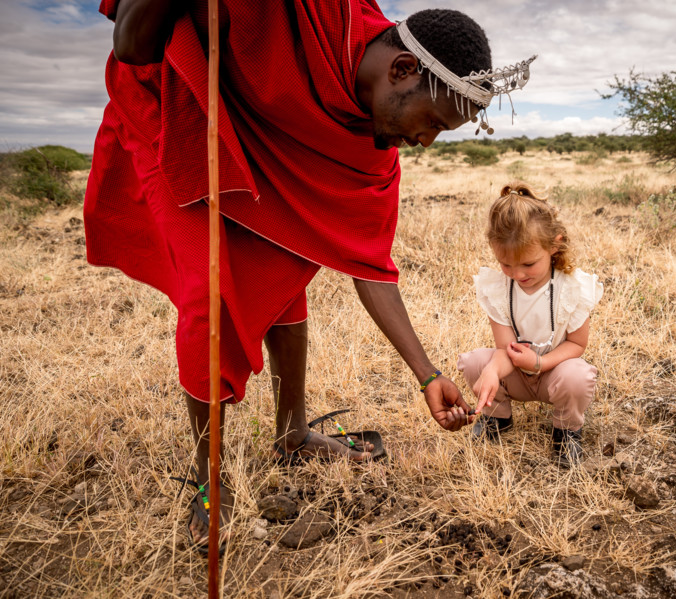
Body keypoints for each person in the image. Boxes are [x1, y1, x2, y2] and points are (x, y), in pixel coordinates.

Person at [85, 0, 535, 552]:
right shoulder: (299, 11)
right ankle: (210, 478)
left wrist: (426, 374)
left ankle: (292, 434)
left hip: (256, 132)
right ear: (401, 71)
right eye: (433, 123)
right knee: (211, 294)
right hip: (183, 109)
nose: (426, 142)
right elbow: (131, 44)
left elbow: (371, 266)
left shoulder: (369, 150)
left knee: (285, 266)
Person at [457, 182, 603, 468]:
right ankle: (497, 419)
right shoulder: (498, 289)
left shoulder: (573, 288)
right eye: (506, 265)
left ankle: (566, 431)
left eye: (528, 264)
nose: (517, 274)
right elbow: (504, 349)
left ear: (554, 244)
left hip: (554, 375)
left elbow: (577, 344)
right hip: (514, 374)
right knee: (474, 363)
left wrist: (540, 362)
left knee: (579, 376)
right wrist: (491, 371)